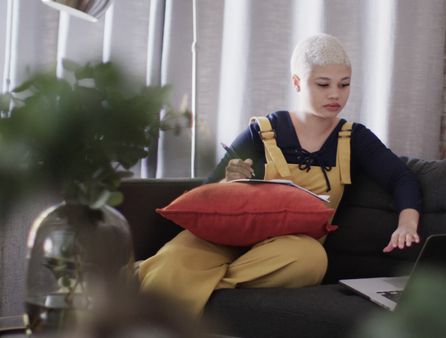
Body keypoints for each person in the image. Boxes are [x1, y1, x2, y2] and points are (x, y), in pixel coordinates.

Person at [138, 33, 423, 317]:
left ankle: (192, 287)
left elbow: (402, 178)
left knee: (310, 260)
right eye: (323, 84)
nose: (335, 94)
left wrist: (407, 224)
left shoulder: (354, 138)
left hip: (286, 249)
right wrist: (229, 182)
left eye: (344, 84)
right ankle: (182, 288)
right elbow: (209, 192)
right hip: (225, 237)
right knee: (175, 259)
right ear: (297, 83)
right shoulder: (262, 132)